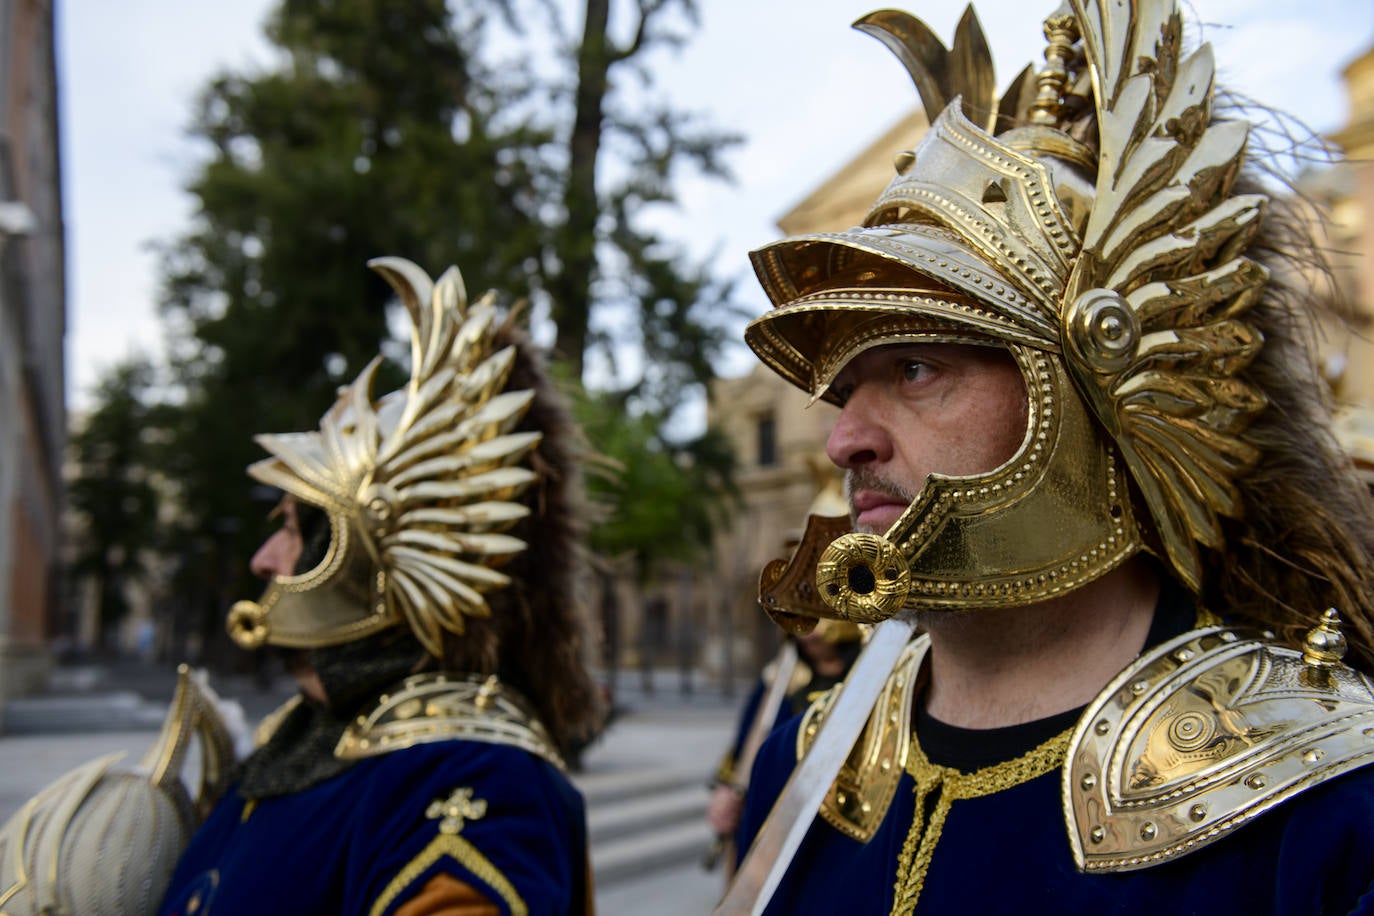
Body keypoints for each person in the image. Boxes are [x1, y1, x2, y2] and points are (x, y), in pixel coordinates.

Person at [728, 1, 1374, 913]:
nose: (845, 439)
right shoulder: (804, 765)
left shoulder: (1325, 809)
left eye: (915, 368)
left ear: (1089, 390)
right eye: (844, 392)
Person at [157, 257, 603, 915]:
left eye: (293, 529)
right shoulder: (302, 731)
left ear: (376, 553)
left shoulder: (473, 771)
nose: (263, 560)